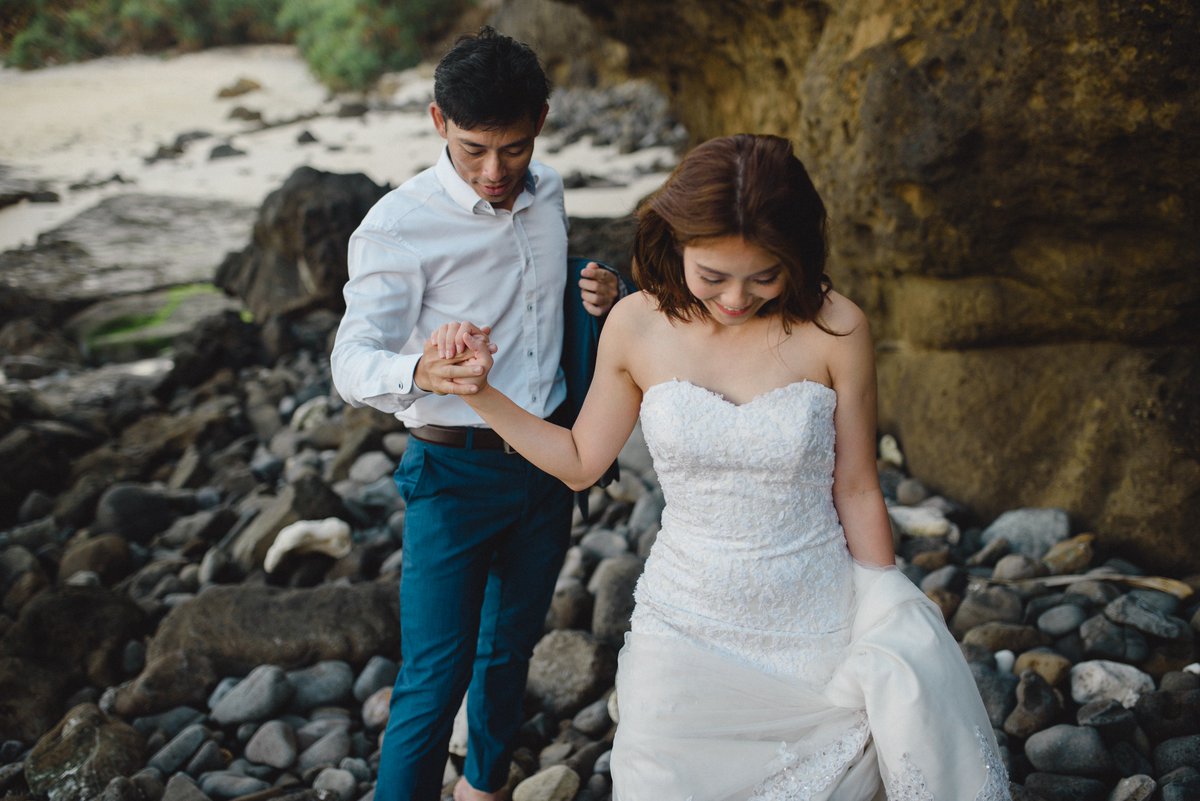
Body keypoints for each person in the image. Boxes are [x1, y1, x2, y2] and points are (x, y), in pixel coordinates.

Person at [427, 134, 1012, 800]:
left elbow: (855, 486)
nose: (737, 298)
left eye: (764, 276)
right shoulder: (635, 324)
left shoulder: (837, 327)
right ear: (676, 243)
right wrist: (481, 396)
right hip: (682, 621)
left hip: (812, 619)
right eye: (714, 276)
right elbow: (582, 461)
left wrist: (886, 604)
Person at [329, 27, 621, 801]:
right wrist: (421, 367)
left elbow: (541, 297)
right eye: (472, 150)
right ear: (436, 123)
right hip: (451, 472)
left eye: (514, 149)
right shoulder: (396, 226)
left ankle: (485, 788)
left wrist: (595, 296)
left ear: (543, 122)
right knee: (434, 672)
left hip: (550, 461)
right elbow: (350, 361)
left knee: (510, 649)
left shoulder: (549, 189)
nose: (496, 172)